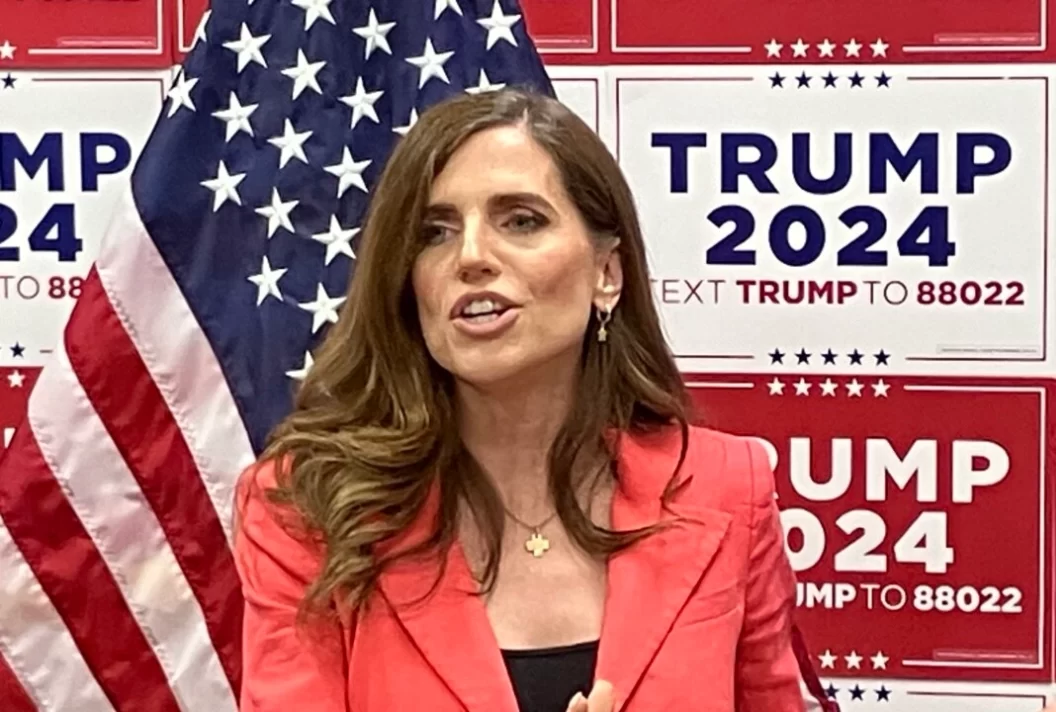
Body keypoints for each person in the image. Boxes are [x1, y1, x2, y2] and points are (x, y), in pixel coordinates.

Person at [234, 86, 809, 711]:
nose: (472, 256)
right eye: (435, 232)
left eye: (521, 220)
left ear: (606, 274)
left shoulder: (725, 488)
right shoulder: (308, 507)